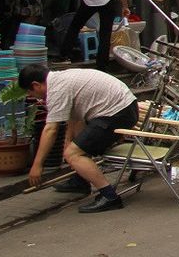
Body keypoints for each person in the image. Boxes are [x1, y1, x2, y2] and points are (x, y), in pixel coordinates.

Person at [19, 65, 137, 213]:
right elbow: (75, 119)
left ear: (36, 85)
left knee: (73, 154)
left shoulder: (56, 89)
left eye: (30, 92)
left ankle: (110, 196)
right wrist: (68, 142)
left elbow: (50, 130)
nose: (33, 96)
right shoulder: (61, 78)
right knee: (75, 147)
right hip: (121, 107)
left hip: (116, 112)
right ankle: (81, 180)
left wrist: (37, 165)